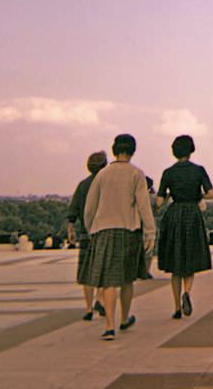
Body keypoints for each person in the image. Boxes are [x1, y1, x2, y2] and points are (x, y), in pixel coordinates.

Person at [82, 134, 155, 341]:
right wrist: (150, 232)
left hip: (103, 231)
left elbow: (90, 207)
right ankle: (124, 318)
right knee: (126, 279)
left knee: (108, 281)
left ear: (114, 149)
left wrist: (91, 228)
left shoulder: (103, 174)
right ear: (132, 150)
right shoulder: (136, 174)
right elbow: (143, 206)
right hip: (128, 231)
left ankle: (109, 326)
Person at [156, 135, 213, 319]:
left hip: (175, 214)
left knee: (175, 264)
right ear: (191, 150)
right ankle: (187, 292)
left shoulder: (168, 172)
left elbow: (159, 202)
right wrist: (198, 197)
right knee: (189, 259)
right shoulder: (199, 171)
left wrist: (167, 197)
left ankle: (176, 308)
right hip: (192, 213)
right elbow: (211, 193)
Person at [67, 150, 108, 320]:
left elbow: (73, 209)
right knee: (104, 270)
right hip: (104, 231)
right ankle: (100, 298)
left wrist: (70, 228)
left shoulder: (82, 185)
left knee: (86, 271)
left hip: (85, 232)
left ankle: (88, 308)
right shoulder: (106, 184)